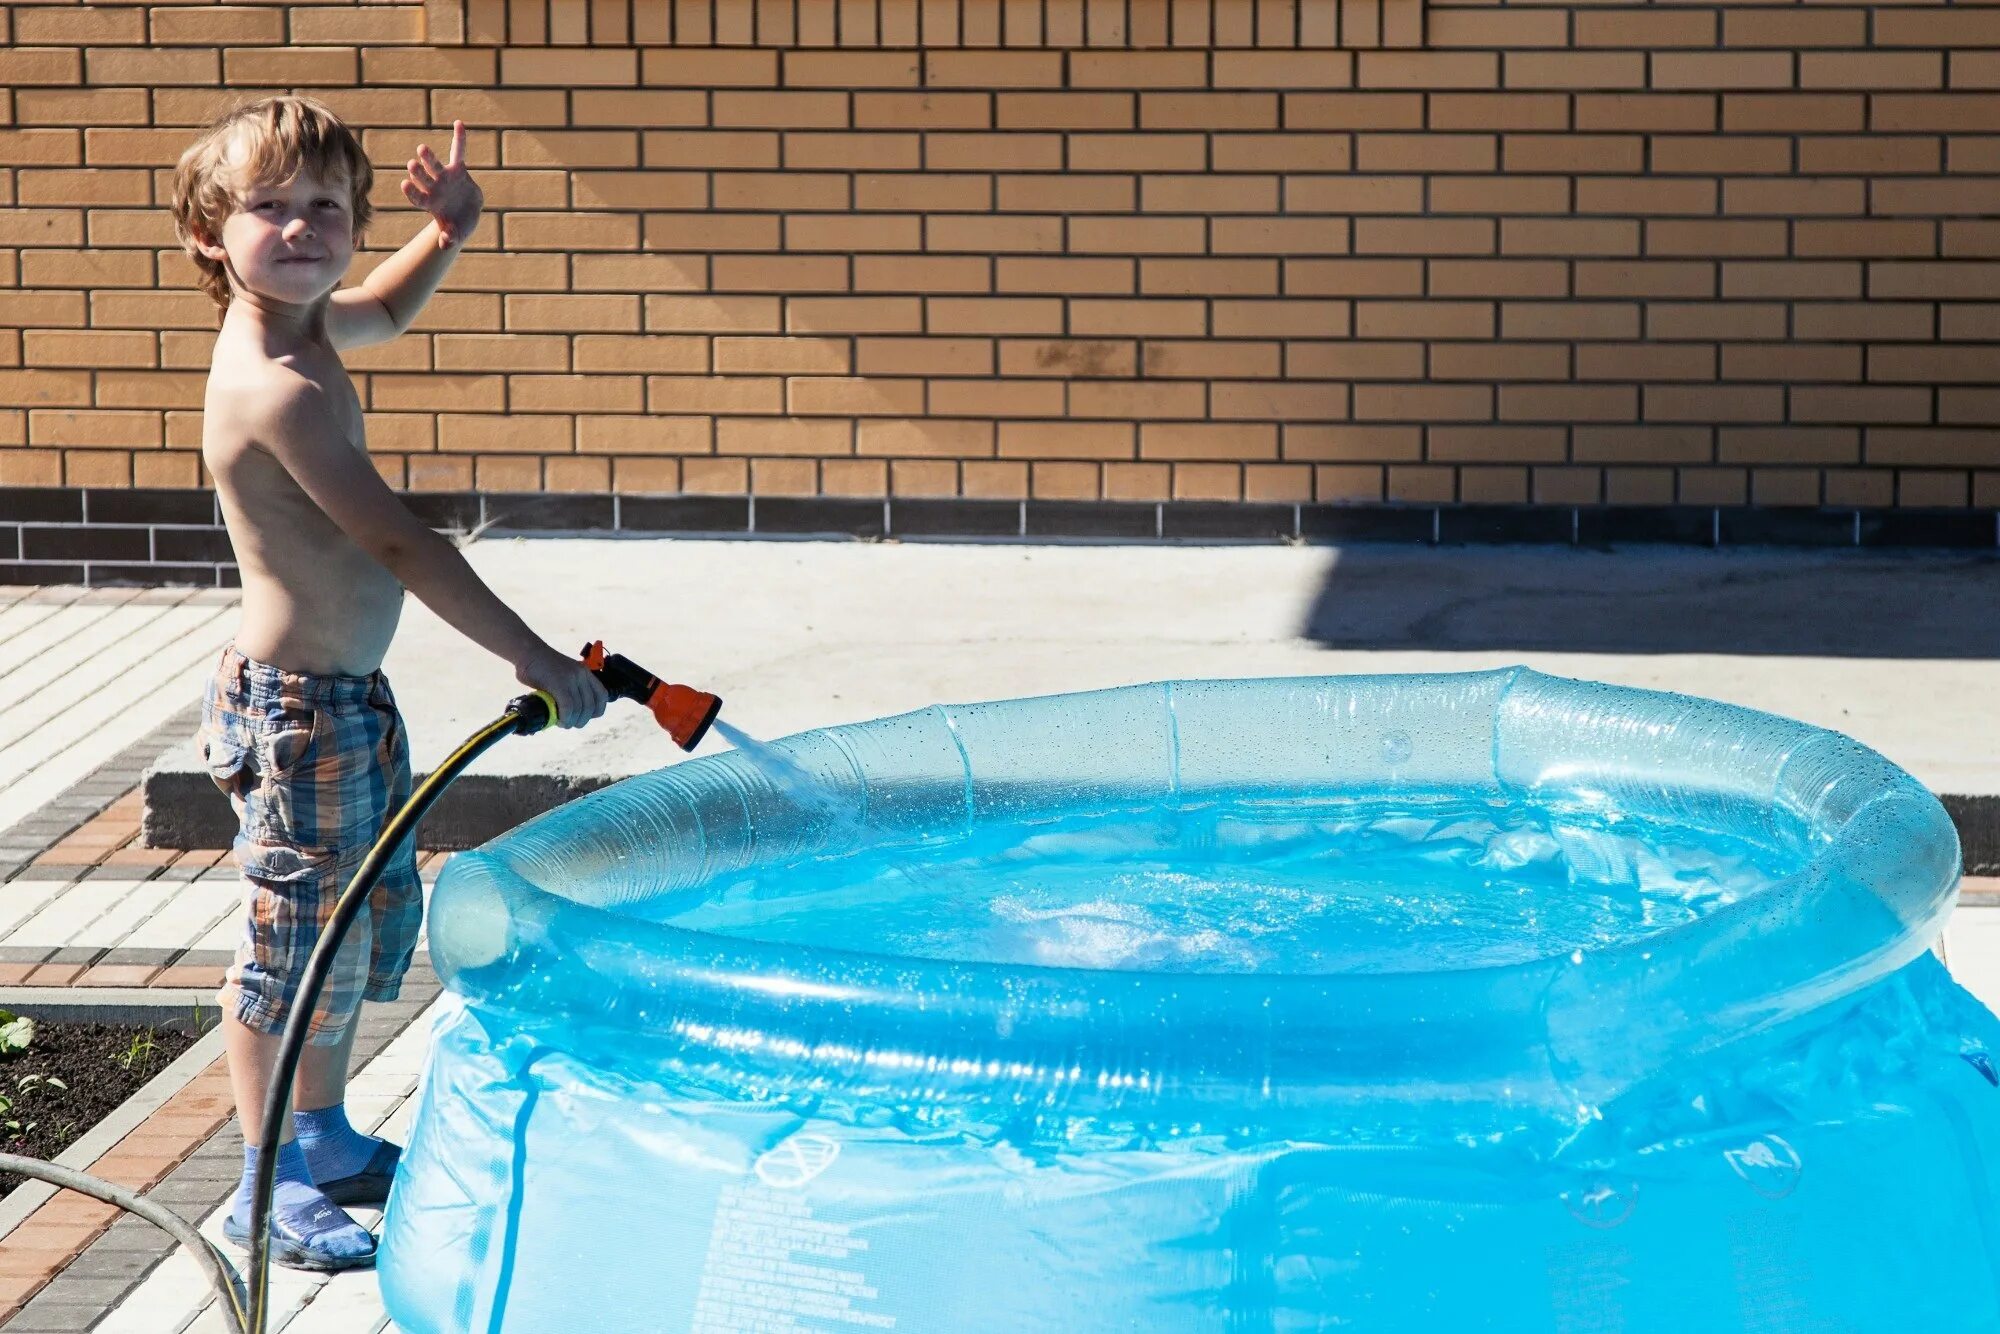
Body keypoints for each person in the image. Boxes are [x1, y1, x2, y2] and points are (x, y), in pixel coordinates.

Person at [169, 95, 607, 1271]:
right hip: (298, 710)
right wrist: (533, 655)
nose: (305, 228)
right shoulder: (280, 389)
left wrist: (448, 233)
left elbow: (386, 309)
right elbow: (404, 545)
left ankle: (319, 1133)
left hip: (339, 701)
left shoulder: (302, 331)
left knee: (360, 930)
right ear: (210, 234)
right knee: (292, 948)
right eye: (271, 208)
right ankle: (258, 1187)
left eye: (328, 208)